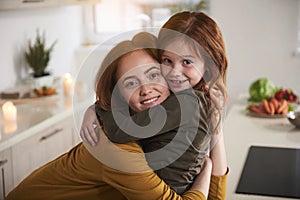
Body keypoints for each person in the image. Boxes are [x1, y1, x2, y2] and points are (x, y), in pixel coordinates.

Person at [6, 32, 216, 200]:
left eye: (154, 75)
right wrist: (206, 171)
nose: (146, 89)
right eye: (131, 83)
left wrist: (214, 122)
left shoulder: (160, 124)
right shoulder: (118, 148)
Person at [81, 11, 229, 198]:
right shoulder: (200, 98)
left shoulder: (188, 102)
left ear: (208, 64)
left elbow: (119, 130)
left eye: (187, 62)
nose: (174, 72)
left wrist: (100, 109)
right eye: (167, 60)